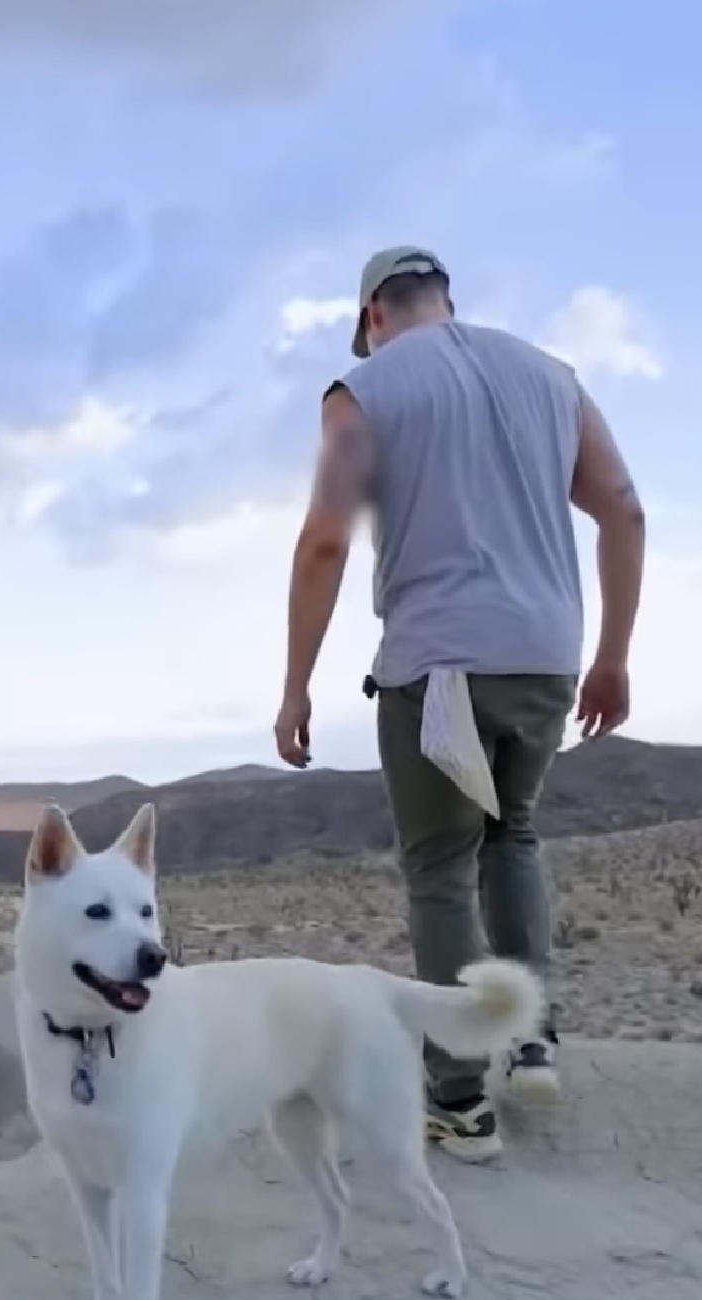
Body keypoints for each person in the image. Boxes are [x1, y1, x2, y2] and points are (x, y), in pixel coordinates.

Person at [271, 245, 646, 1163]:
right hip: (548, 657)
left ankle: (459, 1101)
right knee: (511, 833)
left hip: (438, 662)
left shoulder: (364, 389)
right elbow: (623, 510)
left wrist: (295, 685)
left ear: (373, 318)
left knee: (441, 865)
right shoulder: (550, 376)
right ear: (444, 299)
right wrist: (613, 658)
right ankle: (531, 1036)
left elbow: (325, 541)